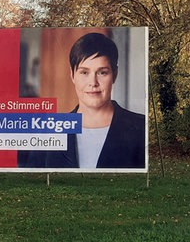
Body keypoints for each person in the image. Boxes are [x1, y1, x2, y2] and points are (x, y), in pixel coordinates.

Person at [21, 32, 145, 168]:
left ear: (114, 75)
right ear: (72, 75)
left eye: (102, 72)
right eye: (84, 72)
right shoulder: (47, 134)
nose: (93, 82)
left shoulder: (141, 129)